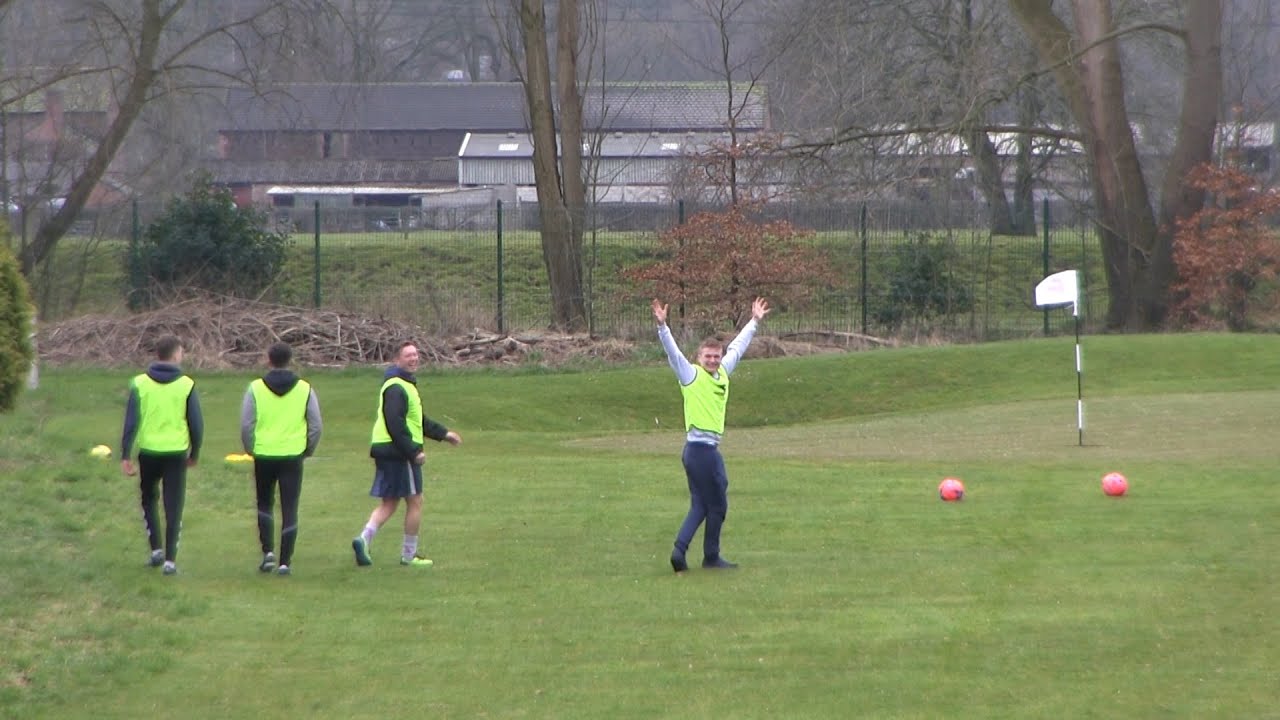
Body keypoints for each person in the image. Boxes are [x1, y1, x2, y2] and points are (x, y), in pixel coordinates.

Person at [653, 297, 770, 573]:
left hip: (703, 452)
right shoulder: (690, 375)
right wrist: (662, 327)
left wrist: (754, 322)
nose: (714, 360)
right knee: (716, 504)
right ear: (699, 357)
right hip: (700, 450)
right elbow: (673, 353)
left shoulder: (723, 374)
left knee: (703, 503)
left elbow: (738, 349)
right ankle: (707, 556)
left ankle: (683, 554)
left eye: (717, 356)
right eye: (708, 356)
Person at [351, 341, 461, 568]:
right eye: (408, 355)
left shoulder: (405, 385)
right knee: (415, 500)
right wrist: (413, 452)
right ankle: (409, 555)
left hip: (387, 448)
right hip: (397, 451)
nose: (414, 359)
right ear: (397, 360)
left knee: (390, 502)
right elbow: (395, 423)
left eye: (416, 354)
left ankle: (363, 539)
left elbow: (417, 421)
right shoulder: (396, 387)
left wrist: (444, 434)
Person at [120, 334, 204, 576]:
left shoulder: (140, 383)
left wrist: (126, 454)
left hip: (149, 452)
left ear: (157, 355)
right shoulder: (186, 384)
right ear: (176, 354)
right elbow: (196, 424)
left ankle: (155, 548)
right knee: (173, 504)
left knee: (148, 499)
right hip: (176, 452)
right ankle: (170, 560)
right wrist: (195, 451)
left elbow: (131, 421)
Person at [240, 342, 323, 577]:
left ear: (269, 360)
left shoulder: (255, 388)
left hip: (264, 453)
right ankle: (285, 561)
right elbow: (316, 425)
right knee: (290, 506)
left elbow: (247, 424)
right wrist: (308, 449)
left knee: (264, 502)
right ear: (291, 360)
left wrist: (251, 448)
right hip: (292, 454)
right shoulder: (305, 388)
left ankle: (267, 551)